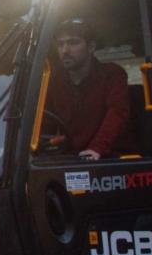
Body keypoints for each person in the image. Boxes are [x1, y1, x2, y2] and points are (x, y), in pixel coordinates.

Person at [43, 17, 131, 160]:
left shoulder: (112, 75)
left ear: (91, 47)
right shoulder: (53, 80)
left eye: (73, 42)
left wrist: (97, 148)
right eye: (60, 44)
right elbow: (45, 121)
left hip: (108, 158)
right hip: (71, 157)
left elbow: (117, 113)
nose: (65, 50)